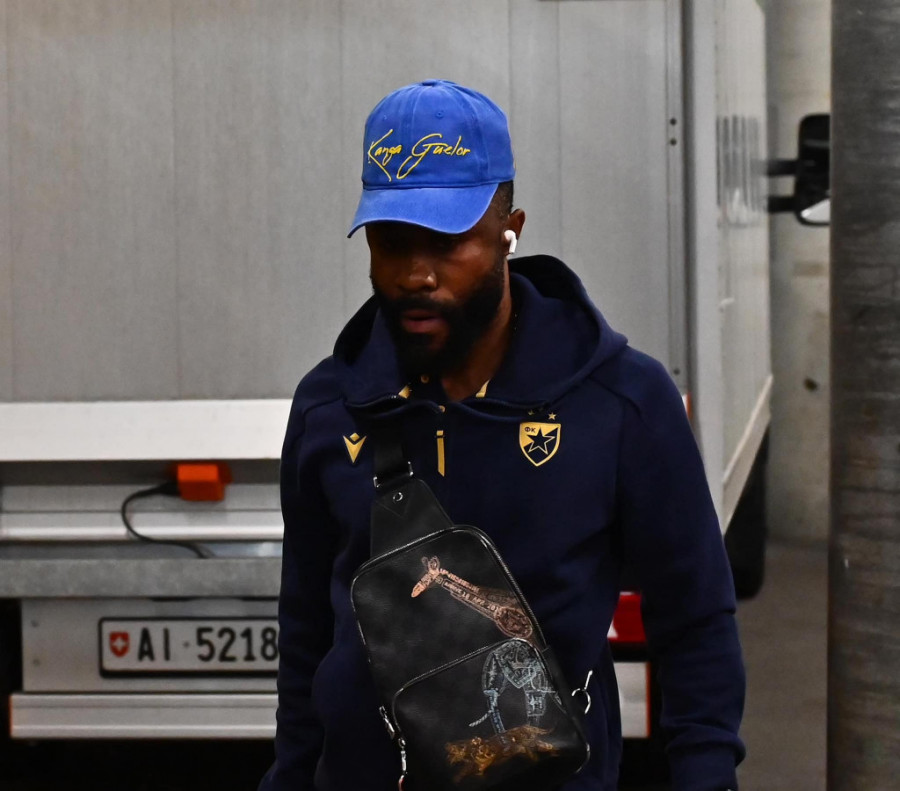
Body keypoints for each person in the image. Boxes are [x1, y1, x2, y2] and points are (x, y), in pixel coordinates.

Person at [259, 79, 745, 791]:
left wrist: (707, 773)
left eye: (448, 241)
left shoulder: (620, 403)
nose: (416, 274)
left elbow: (694, 615)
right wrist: (290, 774)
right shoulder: (329, 409)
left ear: (509, 228)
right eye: (392, 242)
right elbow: (306, 626)